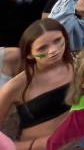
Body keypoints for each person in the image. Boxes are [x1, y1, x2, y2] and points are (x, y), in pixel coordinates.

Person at [0, 19, 73, 150]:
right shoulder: (15, 86)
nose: (53, 50)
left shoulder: (79, 66)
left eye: (57, 40)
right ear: (29, 54)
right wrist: (37, 144)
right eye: (42, 48)